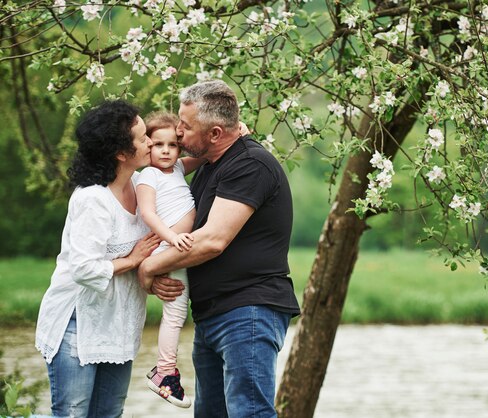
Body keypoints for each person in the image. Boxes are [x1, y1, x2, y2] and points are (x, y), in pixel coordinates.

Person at [138, 80, 301, 418]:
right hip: (213, 314)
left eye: (185, 126)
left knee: (249, 413)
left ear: (214, 133)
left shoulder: (250, 164)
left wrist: (148, 267)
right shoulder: (212, 164)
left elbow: (213, 240)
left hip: (248, 310)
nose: (178, 133)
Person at [35, 100, 160, 417]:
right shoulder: (93, 198)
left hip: (118, 325)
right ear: (121, 153)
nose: (151, 142)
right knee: (73, 413)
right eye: (143, 137)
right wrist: (133, 261)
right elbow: (85, 269)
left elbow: (180, 157)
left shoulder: (139, 184)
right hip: (78, 324)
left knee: (109, 413)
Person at [136, 111, 205, 409]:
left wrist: (238, 134)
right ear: (147, 147)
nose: (165, 151)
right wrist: (171, 237)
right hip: (168, 248)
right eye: (157, 144)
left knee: (178, 312)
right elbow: (149, 213)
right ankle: (164, 372)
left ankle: (165, 370)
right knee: (175, 316)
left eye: (172, 145)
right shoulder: (147, 176)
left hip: (179, 249)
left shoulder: (176, 168)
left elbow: (202, 158)